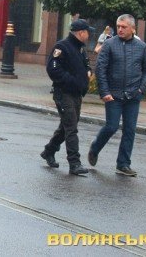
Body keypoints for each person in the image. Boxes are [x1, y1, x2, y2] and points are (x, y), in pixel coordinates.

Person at [88, 14, 146, 177]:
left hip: (133, 95)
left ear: (133, 28)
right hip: (113, 95)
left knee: (129, 130)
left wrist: (141, 89)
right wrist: (104, 92)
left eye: (124, 27)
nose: (120, 29)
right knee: (112, 126)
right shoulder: (109, 45)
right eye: (118, 26)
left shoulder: (141, 47)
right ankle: (95, 147)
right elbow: (100, 69)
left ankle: (123, 164)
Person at [41, 19, 94, 176]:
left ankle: (49, 151)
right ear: (81, 33)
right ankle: (74, 163)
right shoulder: (62, 47)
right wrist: (71, 81)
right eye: (87, 32)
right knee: (71, 127)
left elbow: (86, 64)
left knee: (66, 127)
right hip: (64, 93)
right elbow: (53, 69)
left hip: (76, 93)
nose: (89, 35)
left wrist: (88, 71)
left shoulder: (80, 48)